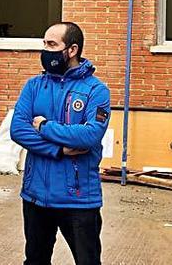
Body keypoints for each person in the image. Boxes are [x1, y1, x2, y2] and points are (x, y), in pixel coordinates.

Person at [9, 22, 111, 265]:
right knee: (35, 260)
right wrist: (58, 149)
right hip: (36, 197)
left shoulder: (96, 90)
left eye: (52, 44)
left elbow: (89, 136)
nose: (45, 50)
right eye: (44, 44)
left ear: (72, 50)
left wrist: (45, 127)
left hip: (78, 199)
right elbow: (18, 130)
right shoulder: (34, 86)